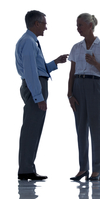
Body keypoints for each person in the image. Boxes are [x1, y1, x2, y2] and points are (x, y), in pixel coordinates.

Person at [15, 10, 68, 180]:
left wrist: (55, 63)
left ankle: (28, 167)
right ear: (36, 23)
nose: (46, 26)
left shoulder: (30, 41)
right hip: (35, 87)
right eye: (44, 23)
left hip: (35, 84)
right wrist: (38, 97)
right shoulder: (29, 42)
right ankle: (25, 170)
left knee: (33, 129)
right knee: (31, 129)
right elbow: (31, 72)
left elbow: (37, 68)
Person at [67, 13, 100, 182]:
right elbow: (71, 73)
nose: (78, 28)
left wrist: (95, 63)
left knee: (96, 129)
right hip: (78, 87)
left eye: (80, 25)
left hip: (94, 86)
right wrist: (70, 94)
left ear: (90, 26)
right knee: (80, 129)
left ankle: (97, 170)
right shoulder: (76, 47)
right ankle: (82, 169)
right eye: (77, 25)